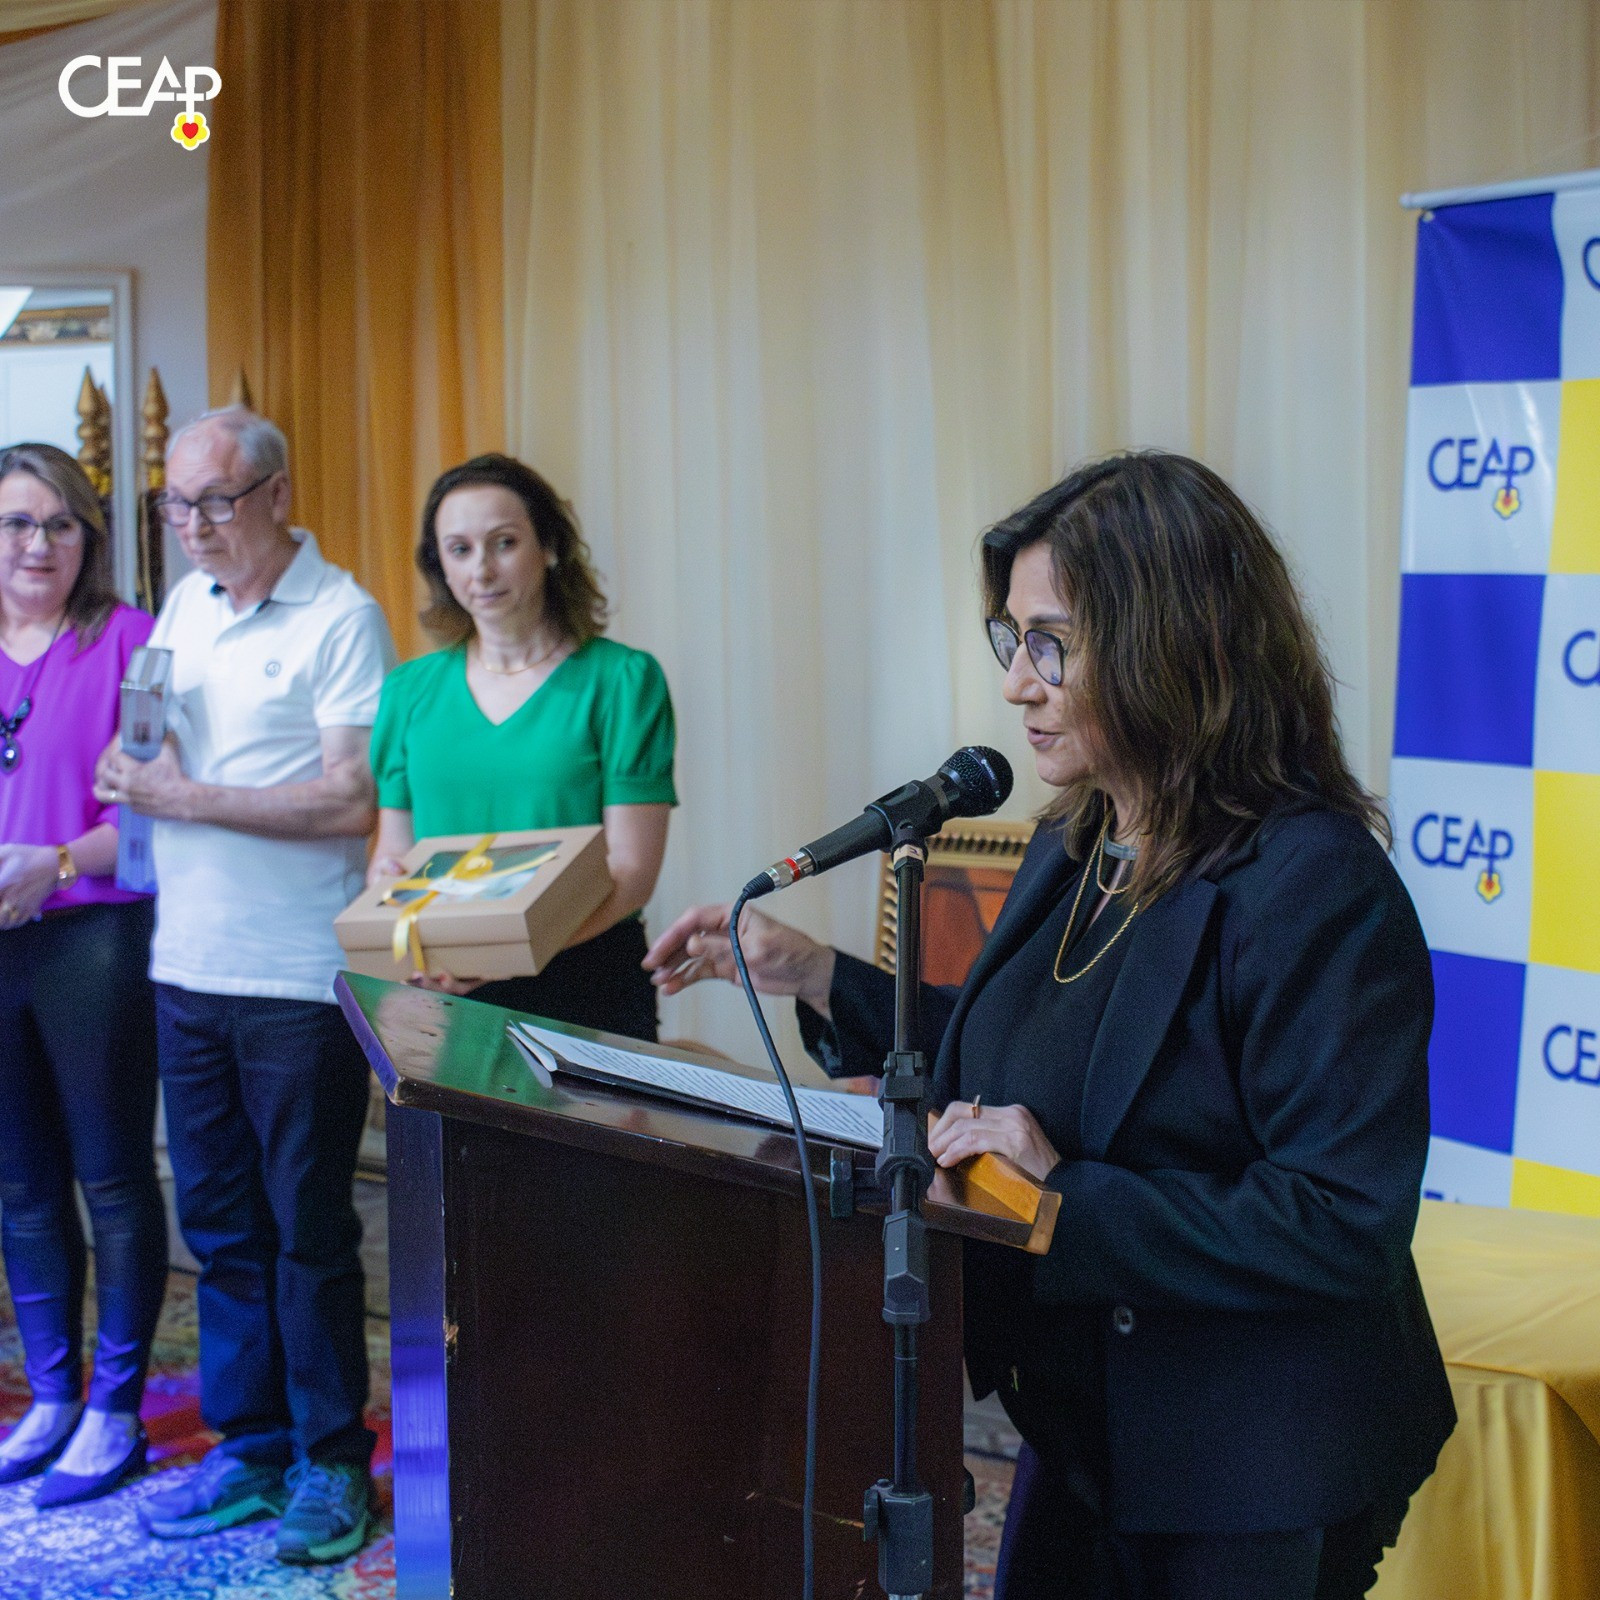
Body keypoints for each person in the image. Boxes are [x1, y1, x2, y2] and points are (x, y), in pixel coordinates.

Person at [645, 451, 1456, 1600]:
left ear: (1173, 642)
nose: (1017, 685)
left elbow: (1339, 1221)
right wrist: (818, 975)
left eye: (1051, 644)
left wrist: (1063, 1197)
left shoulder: (1314, 884)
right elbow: (1028, 1063)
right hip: (1084, 1421)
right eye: (1011, 640)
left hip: (1248, 1457)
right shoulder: (1075, 841)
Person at [93, 407, 396, 1564]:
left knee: (306, 1226)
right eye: (176, 503)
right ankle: (251, 1444)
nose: (193, 524)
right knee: (220, 1225)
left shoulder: (340, 615)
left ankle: (333, 1459)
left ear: (276, 493)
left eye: (215, 500)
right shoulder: (186, 606)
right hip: (186, 963)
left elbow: (350, 797)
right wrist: (140, 769)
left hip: (294, 976)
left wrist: (187, 798)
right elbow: (161, 743)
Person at [367, 453, 675, 1041]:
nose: (481, 570)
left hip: (585, 982)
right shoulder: (407, 692)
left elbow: (631, 870)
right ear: (440, 565)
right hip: (443, 987)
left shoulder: (623, 681)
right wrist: (387, 882)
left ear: (549, 547)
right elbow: (395, 848)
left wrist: (504, 952)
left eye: (503, 543)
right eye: (459, 550)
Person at [0, 444, 166, 1507]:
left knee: (109, 1176)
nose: (39, 543)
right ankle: (53, 1396)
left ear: (89, 539)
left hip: (92, 936)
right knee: (19, 1185)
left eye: (62, 523)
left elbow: (148, 821)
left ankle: (115, 1408)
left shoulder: (132, 642)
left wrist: (54, 862)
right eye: (18, 522)